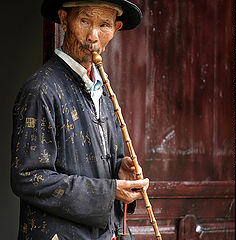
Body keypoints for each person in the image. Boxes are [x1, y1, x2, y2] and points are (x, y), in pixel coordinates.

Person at [11, 0, 149, 239]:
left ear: (115, 29)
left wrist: (119, 171)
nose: (93, 36)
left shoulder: (103, 90)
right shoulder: (42, 89)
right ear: (64, 20)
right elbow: (28, 178)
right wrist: (110, 191)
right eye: (84, 21)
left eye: (104, 25)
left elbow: (91, 162)